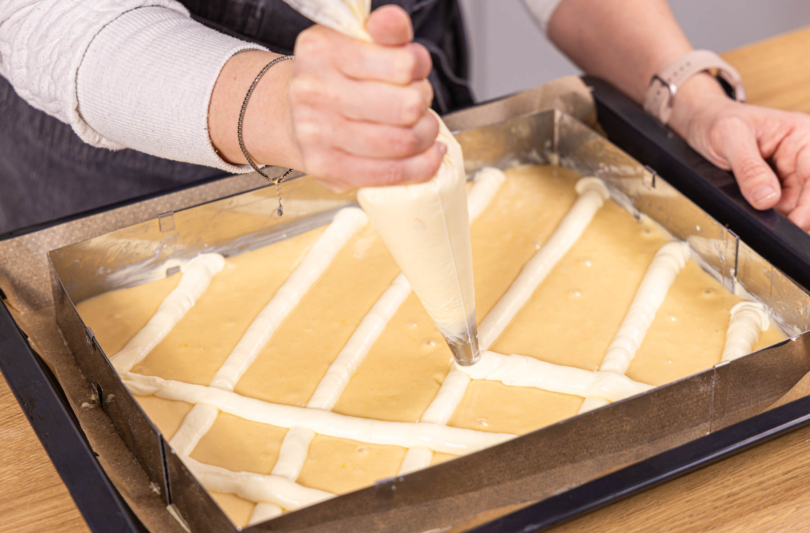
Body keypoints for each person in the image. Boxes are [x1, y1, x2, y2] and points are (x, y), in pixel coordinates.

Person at [2, 0, 810, 235]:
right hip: (128, 158)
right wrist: (279, 106)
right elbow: (51, 19)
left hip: (409, 99)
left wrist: (687, 94)